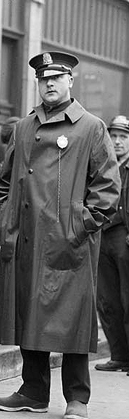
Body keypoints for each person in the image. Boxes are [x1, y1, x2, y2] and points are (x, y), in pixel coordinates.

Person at [0, 51, 120, 419]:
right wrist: (7, 216)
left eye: (56, 78)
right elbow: (3, 182)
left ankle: (78, 397)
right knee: (30, 312)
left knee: (72, 318)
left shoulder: (91, 127)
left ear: (70, 82)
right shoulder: (23, 128)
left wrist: (80, 225)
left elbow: (108, 188)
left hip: (69, 242)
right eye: (43, 79)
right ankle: (32, 391)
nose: (49, 84)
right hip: (28, 236)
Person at [94, 115, 129, 372]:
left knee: (128, 298)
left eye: (123, 138)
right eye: (113, 136)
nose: (117, 142)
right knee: (107, 299)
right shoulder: (105, 165)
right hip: (103, 234)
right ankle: (119, 355)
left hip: (124, 237)